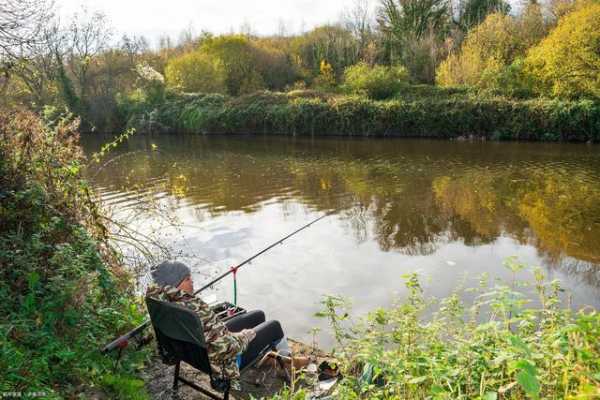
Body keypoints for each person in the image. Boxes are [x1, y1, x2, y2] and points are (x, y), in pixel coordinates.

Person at [146, 261, 285, 383]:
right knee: (274, 326)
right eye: (188, 279)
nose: (192, 282)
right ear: (176, 284)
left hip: (189, 352)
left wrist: (227, 333)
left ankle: (267, 357)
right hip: (222, 363)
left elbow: (209, 334)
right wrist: (244, 337)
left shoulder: (160, 302)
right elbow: (228, 348)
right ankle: (284, 361)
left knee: (258, 315)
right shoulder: (193, 311)